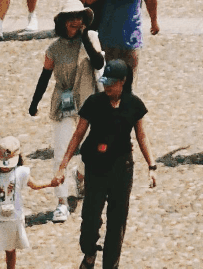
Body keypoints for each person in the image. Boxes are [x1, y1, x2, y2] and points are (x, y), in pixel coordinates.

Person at [55, 57, 157, 260]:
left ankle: (111, 264)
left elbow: (142, 136)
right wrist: (63, 165)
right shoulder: (94, 102)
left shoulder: (133, 104)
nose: (107, 86)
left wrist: (152, 165)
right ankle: (90, 252)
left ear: (123, 81)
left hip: (122, 168)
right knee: (91, 218)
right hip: (96, 166)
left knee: (117, 220)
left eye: (111, 82)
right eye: (105, 82)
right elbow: (78, 134)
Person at [28, 0, 102, 223]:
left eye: (79, 17)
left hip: (88, 101)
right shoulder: (54, 48)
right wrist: (35, 102)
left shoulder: (91, 39)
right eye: (71, 17)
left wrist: (85, 39)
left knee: (91, 149)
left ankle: (80, 176)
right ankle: (61, 202)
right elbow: (44, 77)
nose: (75, 21)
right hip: (64, 102)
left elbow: (98, 63)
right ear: (62, 21)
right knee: (61, 151)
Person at [0, 134, 51, 264]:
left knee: (11, 249)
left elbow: (35, 185)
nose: (5, 167)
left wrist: (51, 183)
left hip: (13, 218)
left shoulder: (21, 172)